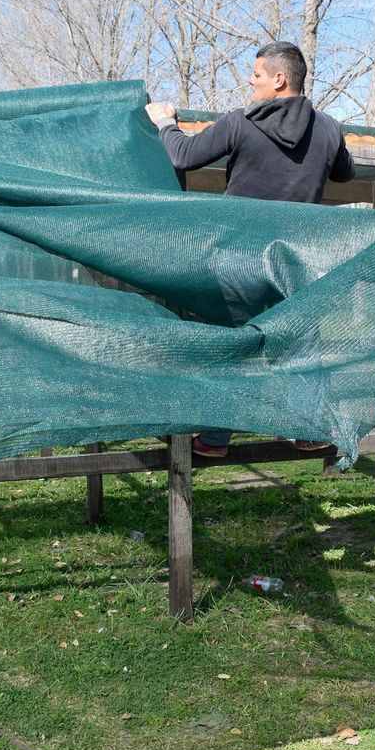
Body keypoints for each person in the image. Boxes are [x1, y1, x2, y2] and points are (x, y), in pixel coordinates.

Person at [146, 40, 355, 457]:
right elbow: (346, 173)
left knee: (231, 342)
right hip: (294, 257)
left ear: (279, 80)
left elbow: (185, 156)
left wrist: (166, 123)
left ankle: (217, 438)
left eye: (256, 74)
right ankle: (311, 429)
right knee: (301, 342)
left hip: (239, 256)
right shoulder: (328, 127)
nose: (251, 81)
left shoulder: (242, 122)